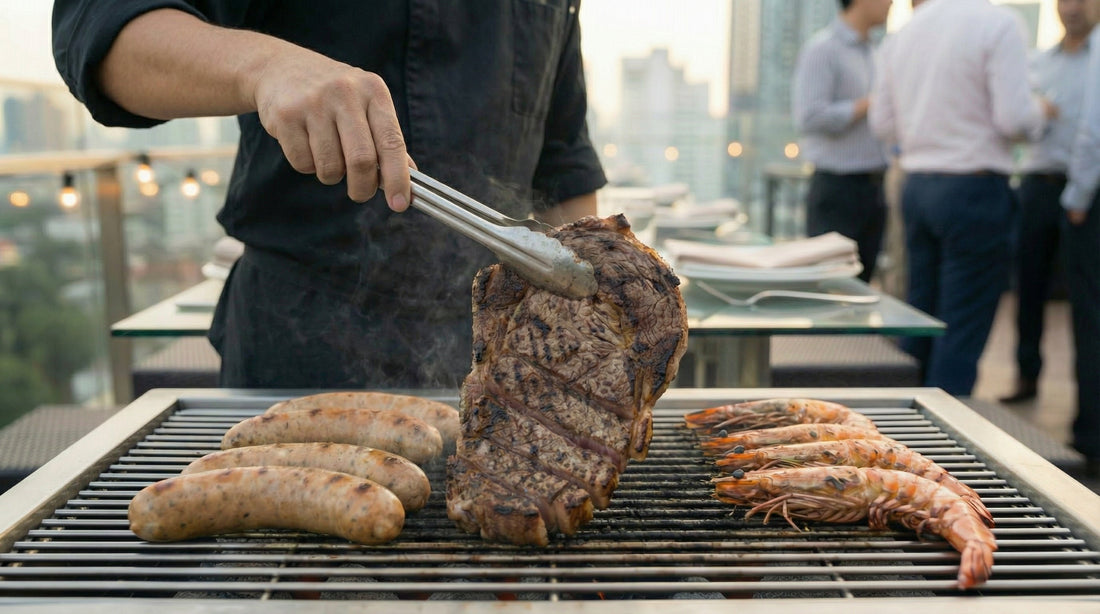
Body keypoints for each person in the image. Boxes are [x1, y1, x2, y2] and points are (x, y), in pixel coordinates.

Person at [51, 2, 606, 390]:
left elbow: (563, 167)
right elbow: (102, 31)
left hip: (492, 346)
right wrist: (266, 67)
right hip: (305, 335)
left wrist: (594, 324)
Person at [869, 0, 1055, 396]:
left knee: (920, 316)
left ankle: (898, 433)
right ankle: (941, 440)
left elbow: (882, 124)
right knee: (961, 327)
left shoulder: (904, 34)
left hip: (917, 187)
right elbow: (1014, 119)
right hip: (974, 187)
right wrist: (1042, 111)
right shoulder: (999, 23)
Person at [1001, 0, 1096, 405]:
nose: (1071, 8)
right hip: (1038, 185)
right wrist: (1037, 113)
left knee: (1087, 302)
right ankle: (1026, 376)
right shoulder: (1040, 62)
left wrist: (1078, 195)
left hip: (1084, 192)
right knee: (1029, 287)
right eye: (1064, 0)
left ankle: (1089, 416)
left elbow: (1094, 136)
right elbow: (1017, 124)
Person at [792, 0, 893, 283]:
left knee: (863, 285)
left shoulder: (876, 52)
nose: (892, 3)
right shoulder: (823, 49)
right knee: (830, 288)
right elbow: (809, 116)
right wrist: (868, 105)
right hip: (837, 190)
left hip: (874, 188)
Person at [1059, 2, 1100, 476]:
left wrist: (1077, 197)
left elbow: (1092, 130)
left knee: (1090, 320)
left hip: (1093, 196)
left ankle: (1091, 436)